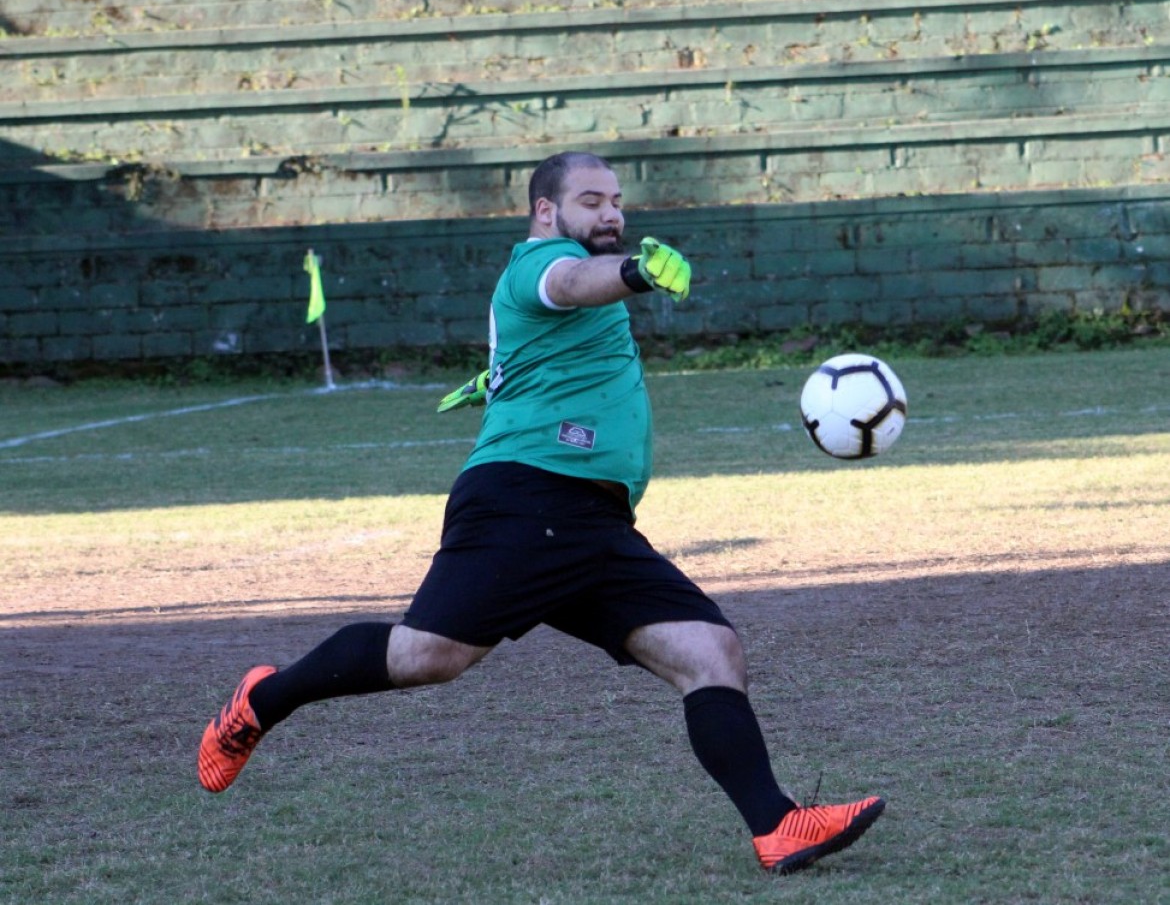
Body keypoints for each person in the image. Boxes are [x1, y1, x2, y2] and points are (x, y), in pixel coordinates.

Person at [197, 151, 884, 874]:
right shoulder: (544, 262)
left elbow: (547, 331)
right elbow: (568, 283)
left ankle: (777, 825)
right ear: (547, 211)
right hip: (527, 499)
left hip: (592, 519)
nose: (612, 214)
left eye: (617, 200)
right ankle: (262, 698)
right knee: (427, 655)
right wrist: (634, 272)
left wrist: (502, 374)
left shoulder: (561, 281)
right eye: (592, 200)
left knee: (712, 653)